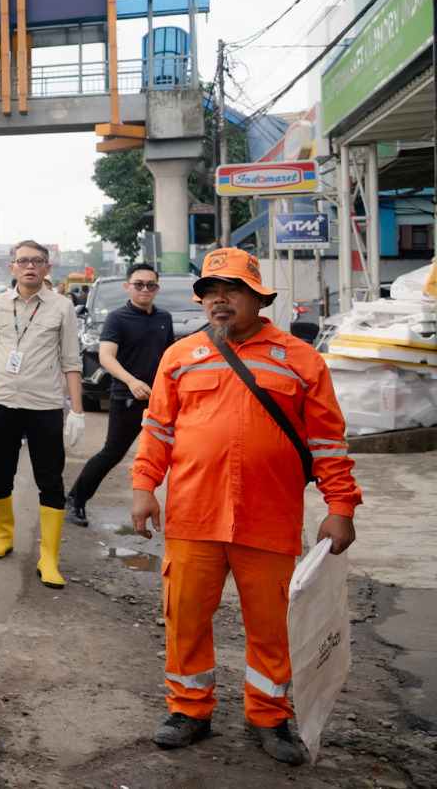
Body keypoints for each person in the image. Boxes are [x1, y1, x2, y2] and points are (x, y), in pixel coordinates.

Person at [131, 248, 360, 766]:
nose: (219, 300)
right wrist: (145, 485)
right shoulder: (181, 355)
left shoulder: (301, 359)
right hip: (193, 514)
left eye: (231, 290)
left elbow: (328, 441)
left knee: (272, 623)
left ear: (259, 298)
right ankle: (189, 709)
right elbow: (158, 430)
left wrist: (340, 504)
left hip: (269, 516)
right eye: (210, 292)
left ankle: (270, 715)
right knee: (185, 618)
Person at [0, 241, 84, 589]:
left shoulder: (63, 307)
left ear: (48, 268)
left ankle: (48, 556)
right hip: (3, 402)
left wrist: (76, 410)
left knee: (50, 479)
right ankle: (3, 537)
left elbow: (71, 361)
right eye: (23, 261)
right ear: (12, 268)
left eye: (37, 261)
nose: (29, 266)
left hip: (45, 405)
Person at [64, 263, 173, 528]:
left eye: (150, 285)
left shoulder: (164, 319)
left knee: (176, 454)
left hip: (160, 400)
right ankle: (75, 500)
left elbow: (170, 357)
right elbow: (106, 357)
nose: (145, 289)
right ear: (128, 287)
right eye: (139, 284)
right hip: (127, 397)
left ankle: (182, 513)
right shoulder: (117, 318)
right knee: (112, 453)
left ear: (157, 289)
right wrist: (131, 381)